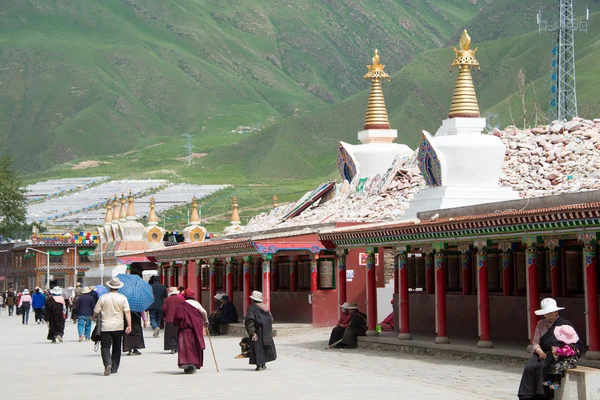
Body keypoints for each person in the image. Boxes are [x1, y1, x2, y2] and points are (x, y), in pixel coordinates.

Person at [518, 298, 584, 399]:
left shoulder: (565, 324)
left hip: (556, 353)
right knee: (529, 367)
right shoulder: (541, 324)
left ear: (556, 311)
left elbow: (574, 343)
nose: (549, 315)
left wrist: (560, 350)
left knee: (543, 366)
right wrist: (539, 351)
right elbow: (535, 342)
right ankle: (526, 395)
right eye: (547, 313)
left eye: (551, 313)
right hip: (541, 352)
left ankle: (543, 395)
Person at [93, 277, 132, 376]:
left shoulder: (103, 297)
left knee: (105, 346)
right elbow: (127, 312)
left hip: (105, 326)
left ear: (109, 286)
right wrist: (129, 325)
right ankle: (114, 367)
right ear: (118, 287)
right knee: (117, 347)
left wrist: (93, 317)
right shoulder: (123, 298)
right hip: (119, 326)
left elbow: (96, 311)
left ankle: (107, 364)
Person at [173, 288, 207, 374]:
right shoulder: (196, 304)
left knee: (186, 346)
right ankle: (194, 362)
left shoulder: (181, 305)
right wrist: (206, 321)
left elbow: (178, 317)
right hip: (196, 328)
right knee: (195, 344)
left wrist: (177, 324)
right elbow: (204, 312)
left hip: (184, 329)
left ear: (184, 296)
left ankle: (186, 362)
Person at [245, 291, 276, 371]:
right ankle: (264, 364)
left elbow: (249, 320)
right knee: (265, 346)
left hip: (257, 330)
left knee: (257, 347)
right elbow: (271, 319)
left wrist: (252, 331)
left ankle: (259, 365)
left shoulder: (252, 307)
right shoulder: (265, 307)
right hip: (266, 330)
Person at [544, 325, 582, 390]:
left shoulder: (572, 346)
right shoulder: (564, 344)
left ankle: (557, 382)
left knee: (558, 366)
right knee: (551, 365)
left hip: (570, 362)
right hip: (564, 361)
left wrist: (556, 350)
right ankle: (550, 379)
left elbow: (564, 352)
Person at [162, 287, 185, 353]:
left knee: (170, 334)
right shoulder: (181, 299)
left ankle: (172, 347)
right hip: (179, 318)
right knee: (178, 333)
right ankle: (177, 347)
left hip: (169, 319)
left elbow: (164, 308)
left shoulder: (167, 299)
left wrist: (164, 315)